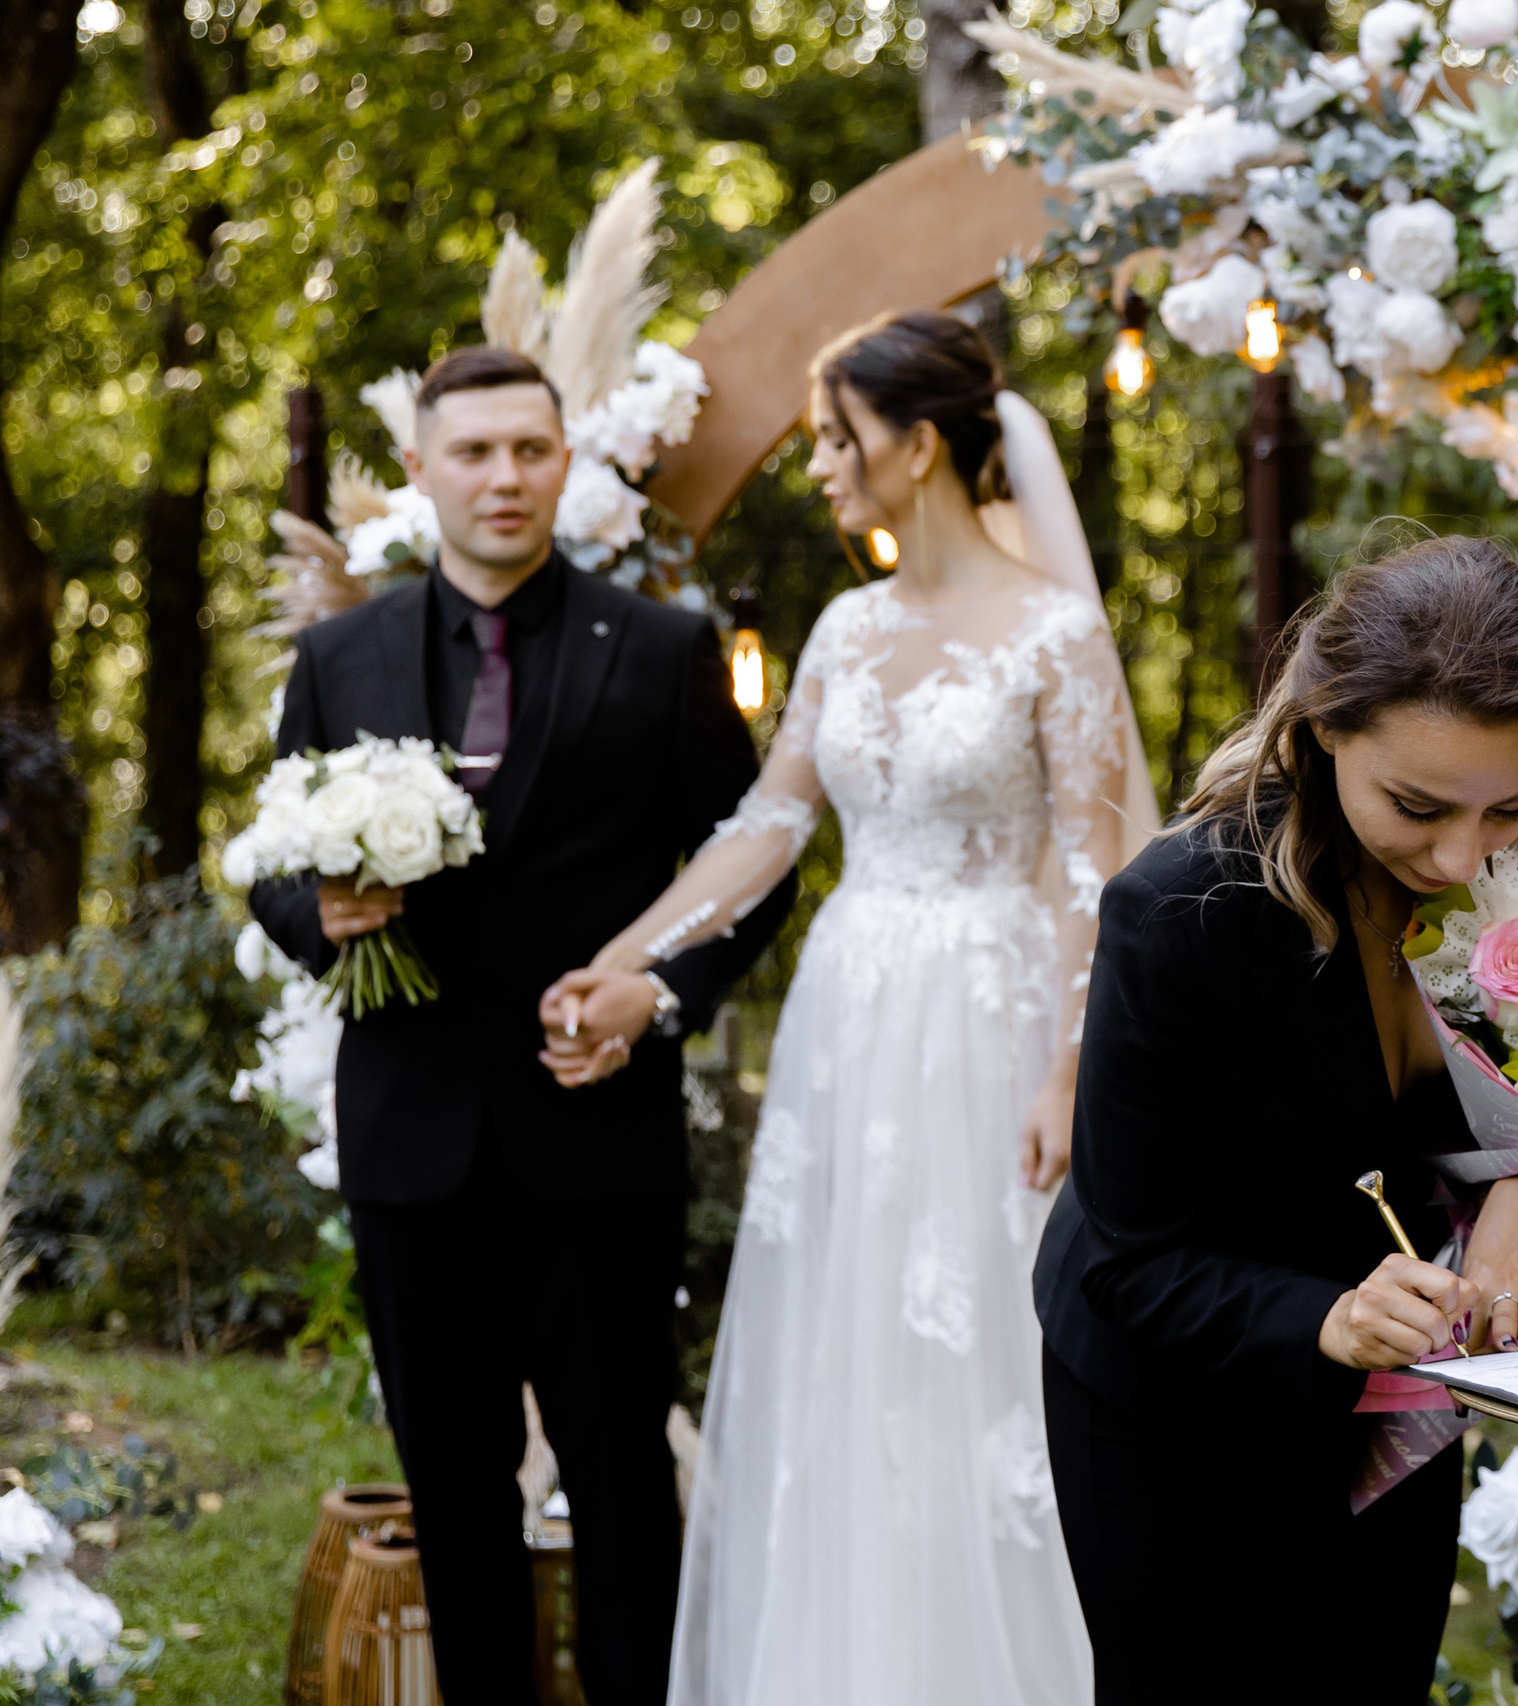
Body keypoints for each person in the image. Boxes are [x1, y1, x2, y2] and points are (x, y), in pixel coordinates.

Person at [543, 311, 1154, 1704]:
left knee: (979, 1338)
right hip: (851, 1023)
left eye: (836, 438)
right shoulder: (847, 625)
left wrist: (1067, 1071)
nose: (818, 465)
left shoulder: (1054, 632)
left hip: (992, 1020)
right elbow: (770, 824)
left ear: (915, 444)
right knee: (847, 1336)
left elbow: (1091, 869)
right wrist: (626, 953)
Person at [249, 345, 794, 1705]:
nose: (504, 476)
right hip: (409, 1136)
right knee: (451, 1480)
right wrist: (323, 912)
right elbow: (268, 863)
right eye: (475, 451)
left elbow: (750, 871)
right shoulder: (337, 655)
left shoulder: (663, 648)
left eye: (529, 450)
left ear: (565, 463)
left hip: (598, 1136)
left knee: (621, 1480)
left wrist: (660, 993)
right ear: (422, 469)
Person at [1037, 538, 1518, 1705]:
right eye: (1416, 806)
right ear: (1325, 725)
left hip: (1404, 1394)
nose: (1461, 854)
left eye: (1507, 805)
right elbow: (1130, 1261)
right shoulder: (1179, 914)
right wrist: (1325, 1315)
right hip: (1181, 1405)